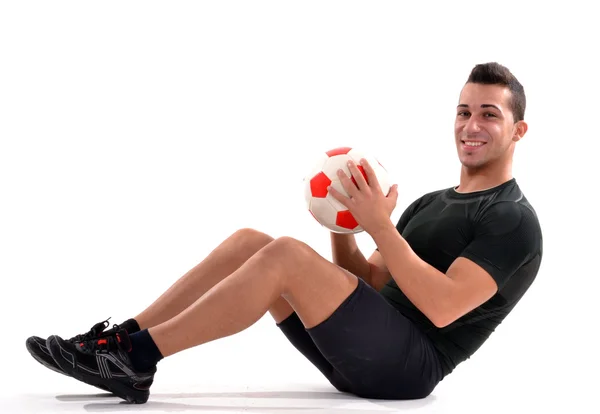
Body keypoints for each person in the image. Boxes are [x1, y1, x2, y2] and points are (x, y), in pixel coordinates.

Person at [26, 61, 543, 404]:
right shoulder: (434, 203)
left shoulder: (513, 219)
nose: (470, 125)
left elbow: (444, 306)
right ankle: (117, 340)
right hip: (366, 349)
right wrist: (346, 224)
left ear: (517, 130)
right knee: (253, 240)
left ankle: (137, 360)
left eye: (489, 115)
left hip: (407, 370)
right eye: (463, 111)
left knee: (287, 257)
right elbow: (364, 282)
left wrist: (381, 225)